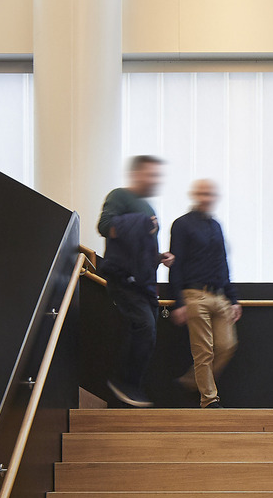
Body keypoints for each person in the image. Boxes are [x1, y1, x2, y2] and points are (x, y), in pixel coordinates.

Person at [98, 154, 170, 408]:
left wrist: (160, 257)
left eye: (157, 175)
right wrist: (142, 223)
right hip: (123, 280)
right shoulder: (119, 196)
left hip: (145, 283)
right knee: (144, 326)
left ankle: (130, 387)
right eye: (151, 174)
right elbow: (105, 226)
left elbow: (141, 249)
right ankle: (123, 383)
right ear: (137, 174)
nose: (155, 179)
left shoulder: (149, 208)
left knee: (148, 333)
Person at [170, 178, 241, 409]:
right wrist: (179, 302)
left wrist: (233, 299)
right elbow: (176, 264)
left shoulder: (216, 226)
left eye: (210, 194)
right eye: (202, 193)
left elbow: (223, 263)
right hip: (194, 295)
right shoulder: (181, 224)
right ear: (195, 195)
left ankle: (191, 382)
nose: (206, 198)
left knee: (227, 345)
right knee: (203, 351)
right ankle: (209, 399)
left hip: (219, 296)